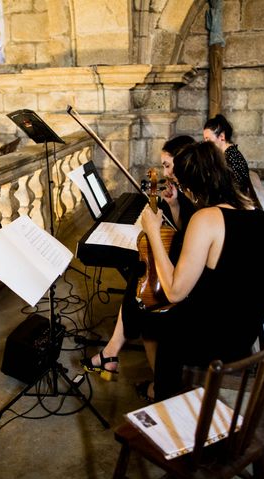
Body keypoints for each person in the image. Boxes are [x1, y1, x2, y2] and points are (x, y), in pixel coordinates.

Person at [139, 141, 264, 401]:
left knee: (150, 315)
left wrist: (153, 233)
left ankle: (165, 396)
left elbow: (175, 291)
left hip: (221, 341)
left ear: (193, 186)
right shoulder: (259, 216)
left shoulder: (207, 219)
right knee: (160, 311)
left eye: (183, 186)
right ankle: (163, 386)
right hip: (246, 327)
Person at [80, 135, 196, 401]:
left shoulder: (199, 200)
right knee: (139, 273)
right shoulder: (187, 193)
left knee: (144, 297)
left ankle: (159, 387)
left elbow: (187, 237)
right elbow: (182, 227)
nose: (165, 172)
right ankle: (112, 351)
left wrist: (155, 232)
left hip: (191, 289)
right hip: (189, 273)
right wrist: (175, 204)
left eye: (168, 166)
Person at [203, 114, 251, 193]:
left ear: (222, 136)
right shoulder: (229, 154)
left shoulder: (232, 158)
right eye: (205, 139)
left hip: (235, 203)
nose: (205, 143)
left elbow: (234, 190)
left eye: (208, 139)